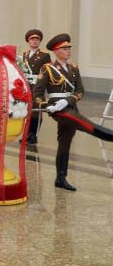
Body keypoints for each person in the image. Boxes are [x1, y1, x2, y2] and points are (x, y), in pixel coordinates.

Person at [33, 34, 113, 191]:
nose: (68, 50)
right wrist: (46, 105)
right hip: (58, 110)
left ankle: (60, 179)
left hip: (70, 107)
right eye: (64, 48)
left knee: (64, 144)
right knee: (85, 123)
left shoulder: (74, 68)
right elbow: (37, 93)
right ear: (56, 51)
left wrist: (68, 101)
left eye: (69, 48)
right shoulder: (47, 69)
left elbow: (80, 91)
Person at [21, 29, 51, 144]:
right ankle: (26, 134)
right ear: (28, 41)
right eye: (32, 39)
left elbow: (48, 72)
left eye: (37, 39)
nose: (34, 41)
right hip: (26, 86)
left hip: (37, 87)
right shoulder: (24, 55)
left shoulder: (44, 55)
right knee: (27, 111)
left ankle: (33, 135)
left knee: (37, 111)